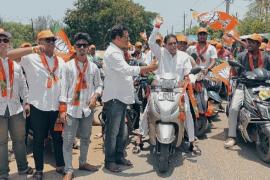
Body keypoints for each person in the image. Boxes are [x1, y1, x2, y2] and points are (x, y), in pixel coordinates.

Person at [8, 30, 66, 180]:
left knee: (58, 137)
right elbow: (8, 54)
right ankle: (39, 170)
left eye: (53, 40)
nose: (52, 42)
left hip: (55, 108)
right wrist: (32, 48)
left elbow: (64, 84)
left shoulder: (60, 61)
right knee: (39, 139)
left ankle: (60, 165)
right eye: (48, 40)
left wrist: (63, 107)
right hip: (37, 107)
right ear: (40, 42)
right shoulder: (30, 58)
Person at [140, 16, 201, 154]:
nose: (173, 46)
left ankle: (192, 142)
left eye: (175, 43)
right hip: (159, 90)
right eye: (170, 44)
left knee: (187, 113)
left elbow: (189, 73)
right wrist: (156, 26)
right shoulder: (160, 53)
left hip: (179, 91)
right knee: (147, 111)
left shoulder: (184, 56)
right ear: (165, 45)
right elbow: (150, 41)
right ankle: (140, 138)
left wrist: (190, 79)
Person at [102, 24, 158, 172]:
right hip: (115, 98)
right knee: (112, 132)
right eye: (126, 37)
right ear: (118, 38)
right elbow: (127, 70)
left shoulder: (119, 51)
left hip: (121, 97)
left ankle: (119, 156)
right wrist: (148, 68)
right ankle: (109, 161)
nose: (128, 39)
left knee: (122, 132)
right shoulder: (113, 53)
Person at [59, 32, 102, 180]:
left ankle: (83, 162)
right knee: (68, 140)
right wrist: (62, 110)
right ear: (75, 47)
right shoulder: (67, 67)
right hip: (71, 109)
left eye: (85, 45)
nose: (82, 48)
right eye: (79, 45)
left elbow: (99, 85)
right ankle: (68, 169)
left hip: (87, 110)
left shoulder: (94, 68)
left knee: (86, 137)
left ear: (89, 48)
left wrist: (95, 96)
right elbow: (63, 88)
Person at [224, 33, 270, 148]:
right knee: (234, 108)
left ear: (258, 44)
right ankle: (232, 136)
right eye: (248, 42)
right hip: (244, 85)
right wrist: (233, 69)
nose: (248, 44)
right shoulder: (241, 56)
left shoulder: (266, 57)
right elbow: (235, 72)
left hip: (263, 86)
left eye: (252, 42)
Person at [0, 29, 33, 180]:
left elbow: (23, 86)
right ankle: (3, 172)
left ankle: (23, 167)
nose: (2, 43)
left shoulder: (17, 66)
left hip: (15, 108)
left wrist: (26, 102)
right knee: (1, 143)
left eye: (5, 40)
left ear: (9, 44)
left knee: (19, 139)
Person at [186, 27, 217, 128]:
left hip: (205, 75)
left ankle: (207, 116)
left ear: (206, 36)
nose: (202, 36)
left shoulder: (211, 48)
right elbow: (185, 59)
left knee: (205, 98)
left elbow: (213, 61)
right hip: (193, 75)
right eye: (200, 34)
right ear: (198, 36)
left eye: (204, 34)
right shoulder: (191, 48)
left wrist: (208, 68)